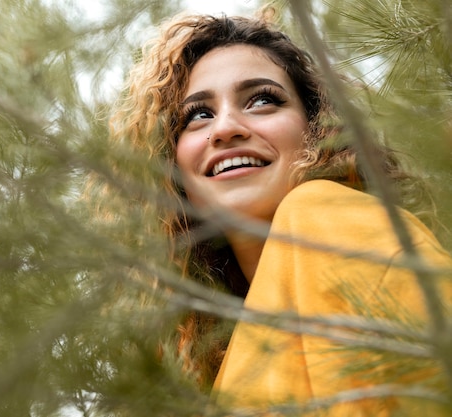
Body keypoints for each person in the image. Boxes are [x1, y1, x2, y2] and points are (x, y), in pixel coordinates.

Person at [107, 9, 452, 417]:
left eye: (262, 100)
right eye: (198, 115)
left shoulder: (323, 213)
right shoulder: (214, 353)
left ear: (317, 129)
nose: (225, 128)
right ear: (173, 168)